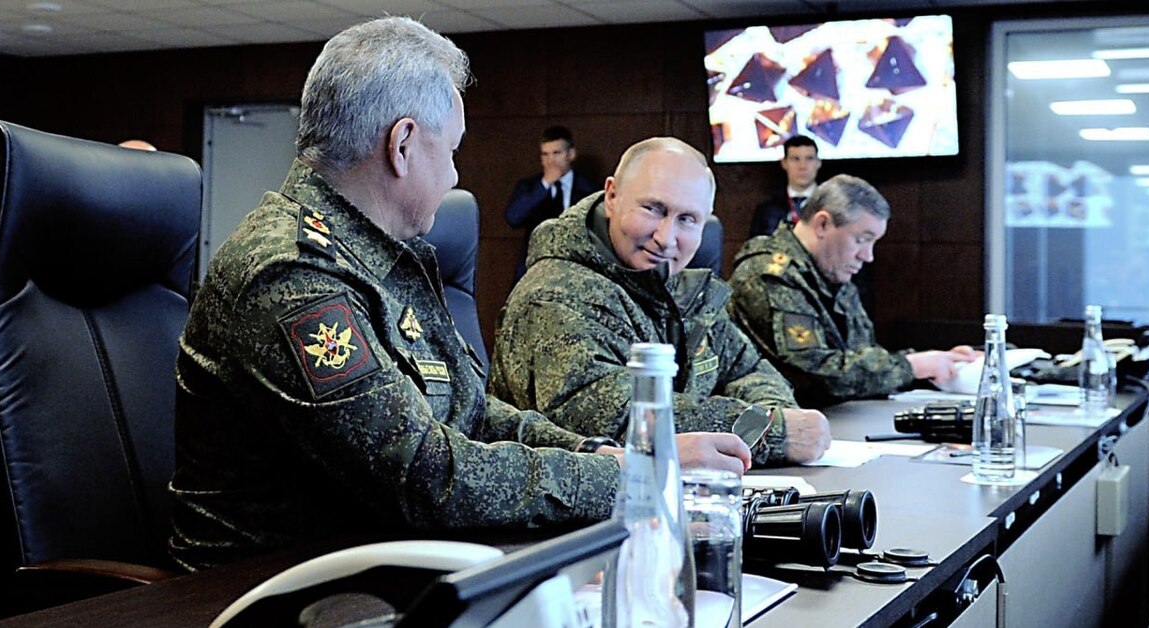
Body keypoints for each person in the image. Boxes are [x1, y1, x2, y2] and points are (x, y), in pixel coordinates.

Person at [167, 18, 750, 572]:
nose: (454, 176)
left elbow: (473, 412)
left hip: (383, 563)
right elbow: (426, 476)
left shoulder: (386, 255)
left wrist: (604, 457)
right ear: (402, 144)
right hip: (271, 590)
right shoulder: (291, 274)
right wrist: (632, 479)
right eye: (451, 151)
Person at [489, 137, 831, 467]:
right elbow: (615, 420)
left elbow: (748, 369)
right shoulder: (555, 295)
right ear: (612, 196)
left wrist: (776, 415)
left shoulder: (676, 285)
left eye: (687, 219)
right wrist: (771, 430)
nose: (666, 239)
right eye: (653, 209)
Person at [729, 174, 978, 407]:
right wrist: (910, 367)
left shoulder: (831, 272)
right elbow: (814, 373)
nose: (867, 256)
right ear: (822, 224)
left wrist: (936, 365)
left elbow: (860, 357)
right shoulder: (769, 274)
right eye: (861, 240)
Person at [504, 126, 599, 281]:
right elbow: (513, 217)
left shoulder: (590, 188)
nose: (550, 161)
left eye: (556, 153)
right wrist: (545, 184)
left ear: (571, 154)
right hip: (535, 269)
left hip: (576, 270)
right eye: (545, 154)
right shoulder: (530, 187)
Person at [749, 135, 821, 238]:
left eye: (809, 159)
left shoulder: (831, 206)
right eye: (795, 159)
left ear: (818, 163)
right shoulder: (766, 211)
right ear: (784, 163)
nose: (802, 166)